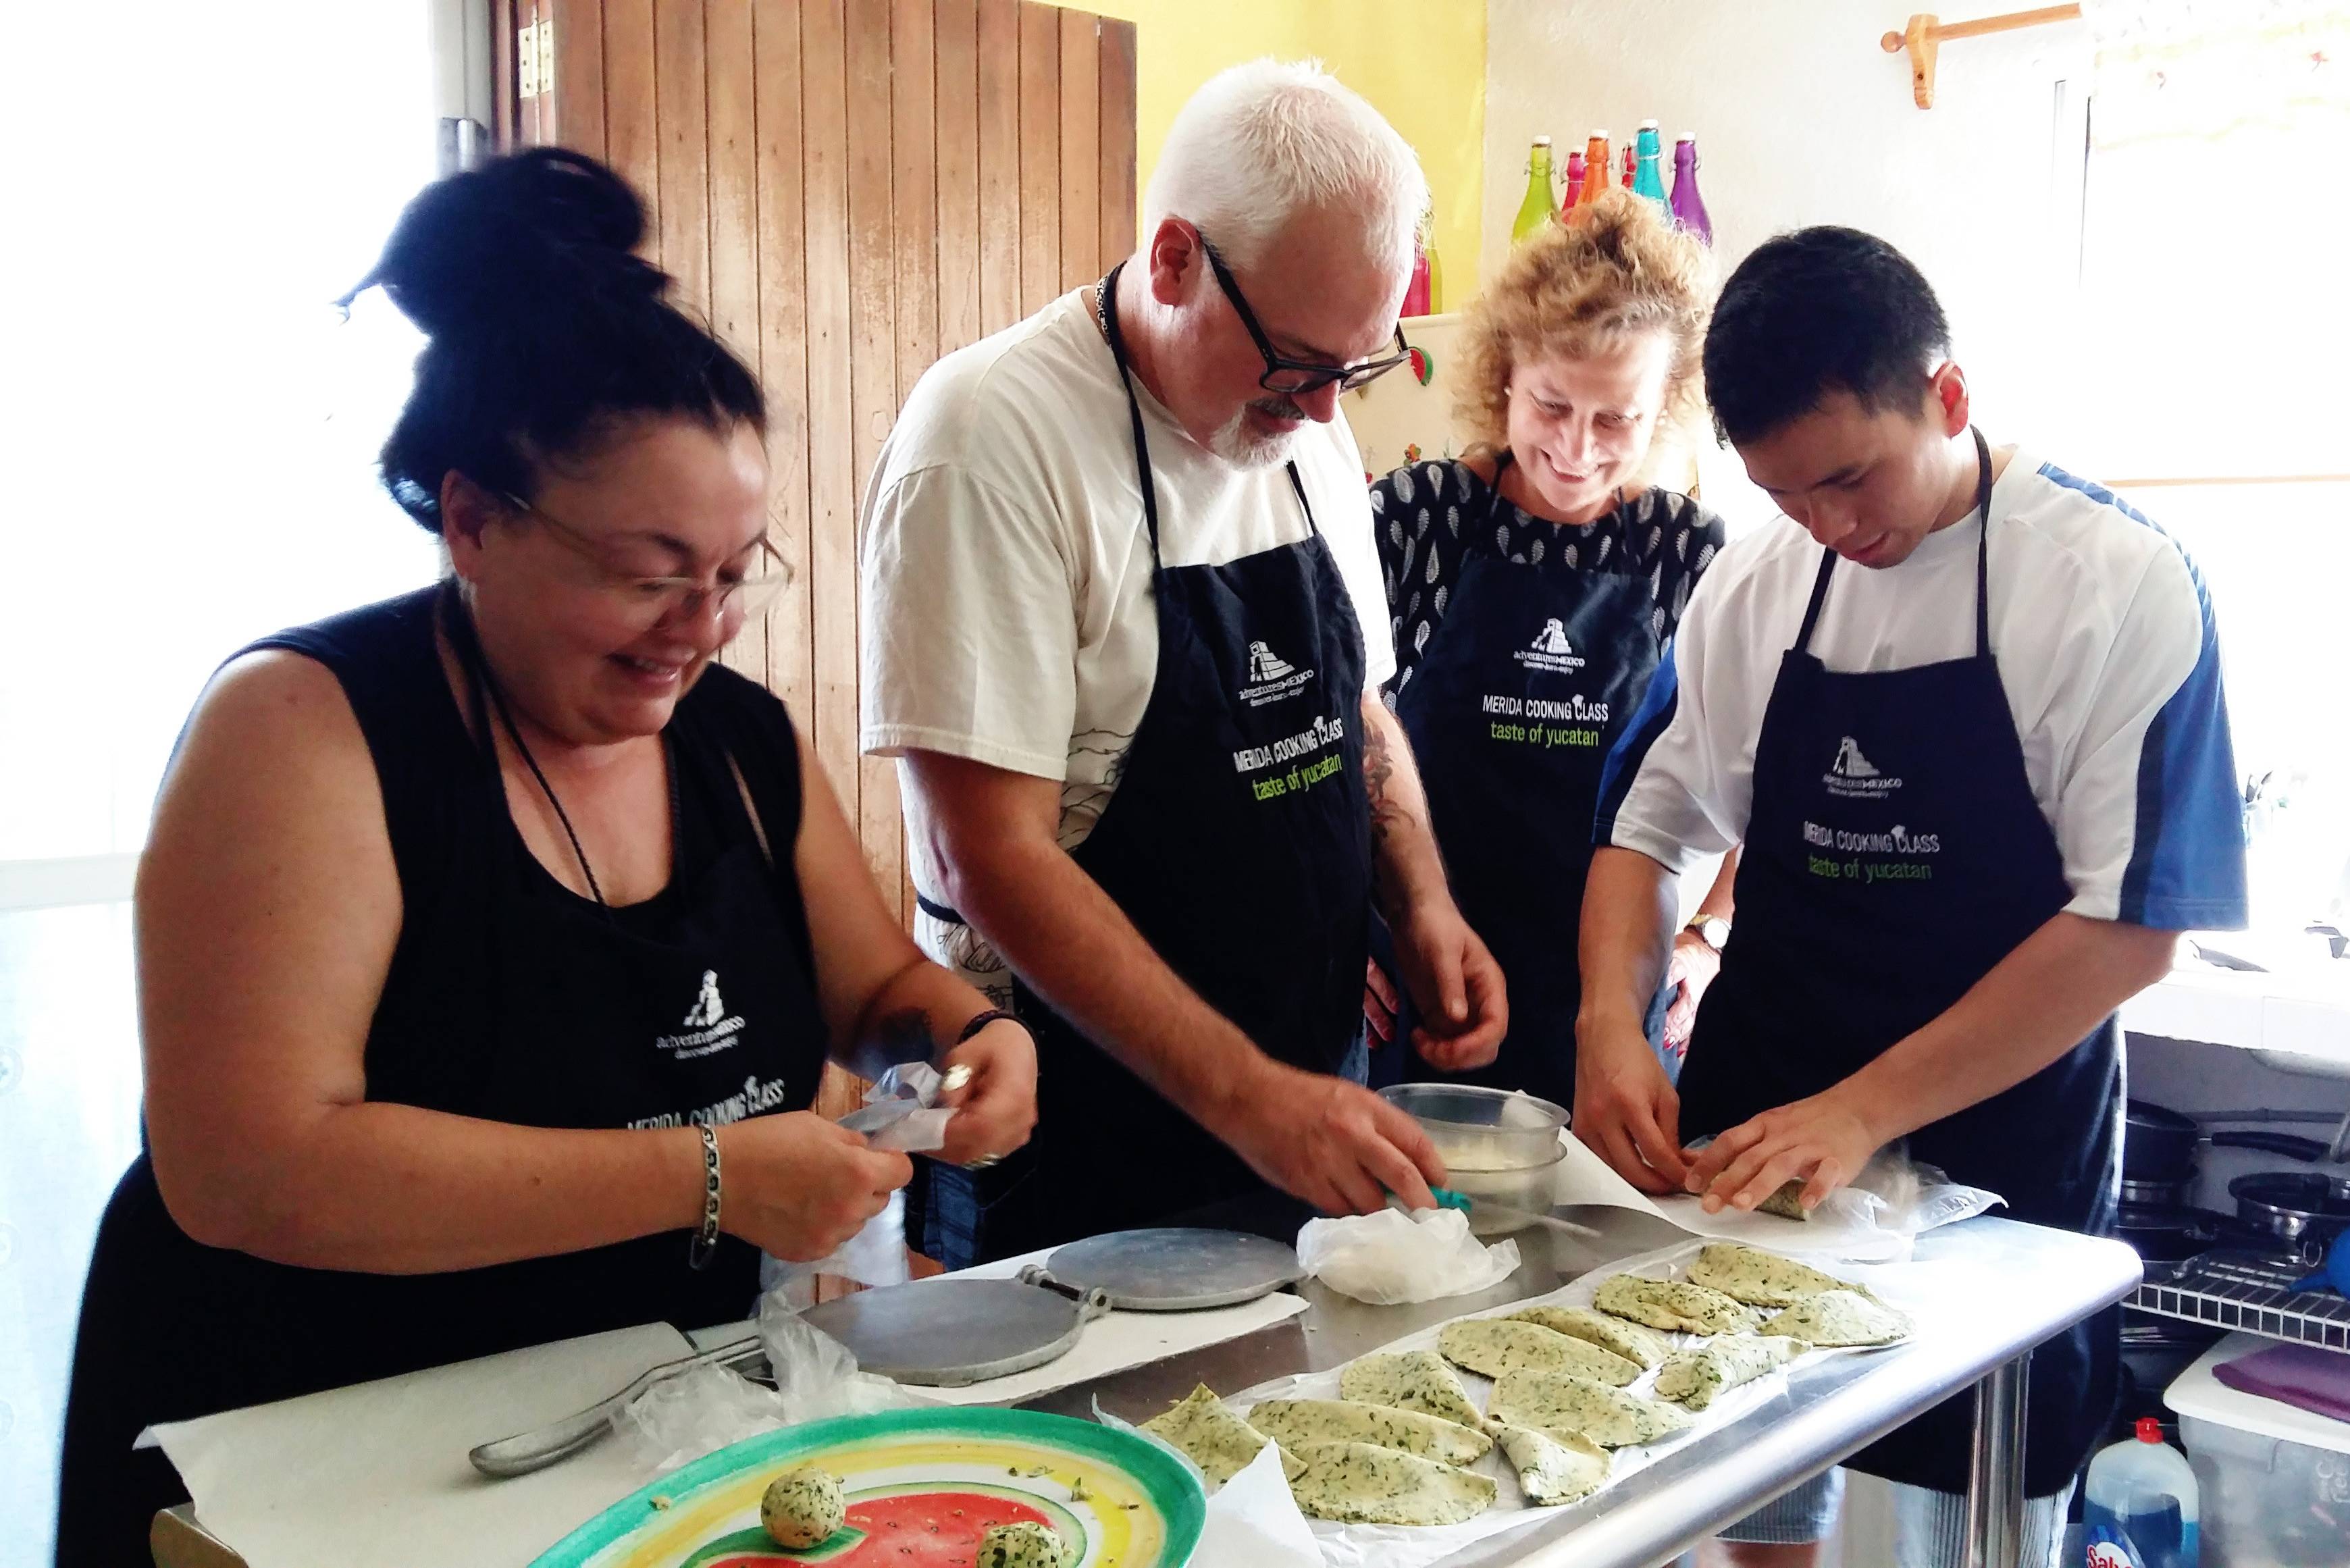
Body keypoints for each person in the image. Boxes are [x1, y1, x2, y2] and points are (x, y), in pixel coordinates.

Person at [55, 149, 1037, 1564]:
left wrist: (964, 1032)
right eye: (647, 575)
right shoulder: (304, 733)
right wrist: (712, 1177)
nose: (698, 626)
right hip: (311, 1460)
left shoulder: (736, 741)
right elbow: (245, 1164)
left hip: (616, 1440)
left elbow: (873, 982)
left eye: (735, 571)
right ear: (471, 519)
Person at [1575, 226, 2246, 1567]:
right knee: (1753, 1494)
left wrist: (1867, 1112)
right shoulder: (1751, 588)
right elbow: (1648, 828)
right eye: (1785, 495)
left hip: (1998, 1159)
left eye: (1848, 477)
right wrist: (1608, 1021)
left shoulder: (2117, 584)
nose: (1828, 525)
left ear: (1947, 396)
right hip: (1758, 1140)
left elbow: (2130, 933)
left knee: (1974, 1524)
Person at [859, 59, 1505, 1268]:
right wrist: (1251, 1097)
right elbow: (987, 857)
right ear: (1173, 259)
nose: (1323, 414)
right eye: (1302, 366)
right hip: (1075, 1132)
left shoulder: (1298, 421)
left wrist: (1418, 901)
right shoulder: (991, 442)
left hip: (1303, 1089)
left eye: (1355, 370)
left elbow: (1353, 705)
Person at [1363, 188, 1737, 1105]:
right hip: (1425, 973)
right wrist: (1335, 925)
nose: (1575, 448)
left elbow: (1762, 762)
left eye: (1618, 420)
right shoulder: (1423, 518)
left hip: (1614, 994)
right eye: (1552, 404)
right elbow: (1331, 726)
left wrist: (1711, 933)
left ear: (1667, 408)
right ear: (1504, 379)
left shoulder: (1684, 549)